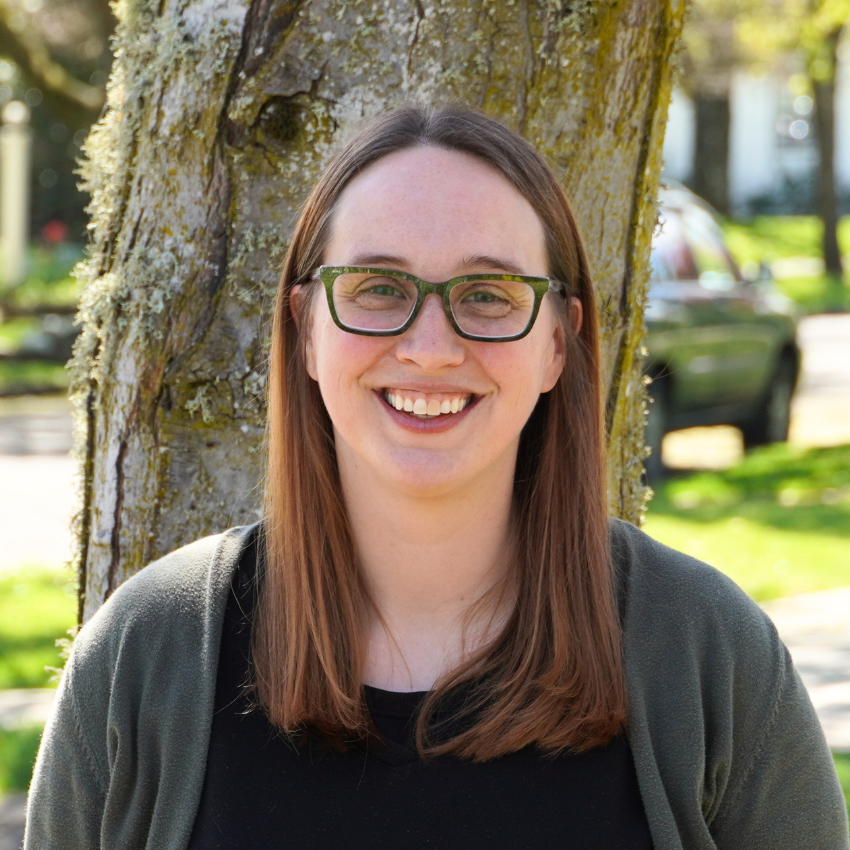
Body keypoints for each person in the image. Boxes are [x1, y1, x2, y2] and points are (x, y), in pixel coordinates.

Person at [25, 105, 848, 850]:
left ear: (559, 343)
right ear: (306, 327)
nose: (430, 346)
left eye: (487, 294)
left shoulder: (706, 655)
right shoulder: (147, 655)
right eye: (378, 288)